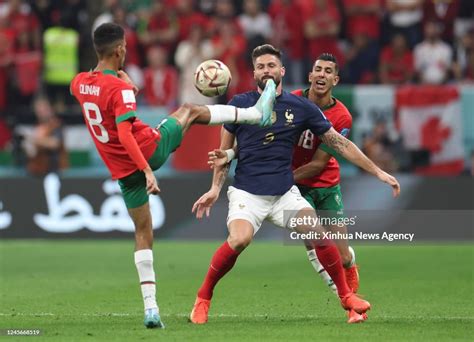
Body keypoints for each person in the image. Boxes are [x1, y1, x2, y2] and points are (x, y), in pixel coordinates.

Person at [70, 23, 277, 329]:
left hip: (121, 172)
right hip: (147, 150)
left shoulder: (79, 83)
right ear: (119, 50)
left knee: (143, 232)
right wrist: (148, 169)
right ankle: (254, 115)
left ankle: (151, 309)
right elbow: (126, 134)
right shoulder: (119, 88)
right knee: (190, 109)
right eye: (124, 46)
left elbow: (104, 101)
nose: (127, 49)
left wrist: (122, 83)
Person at [190, 44, 400, 325]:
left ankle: (346, 297)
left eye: (271, 66)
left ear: (282, 71)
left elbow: (339, 142)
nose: (267, 70)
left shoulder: (300, 107)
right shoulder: (239, 104)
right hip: (248, 193)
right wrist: (215, 188)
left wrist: (378, 172)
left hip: (284, 192)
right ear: (254, 73)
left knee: (319, 232)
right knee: (239, 239)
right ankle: (203, 298)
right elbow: (224, 153)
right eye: (261, 66)